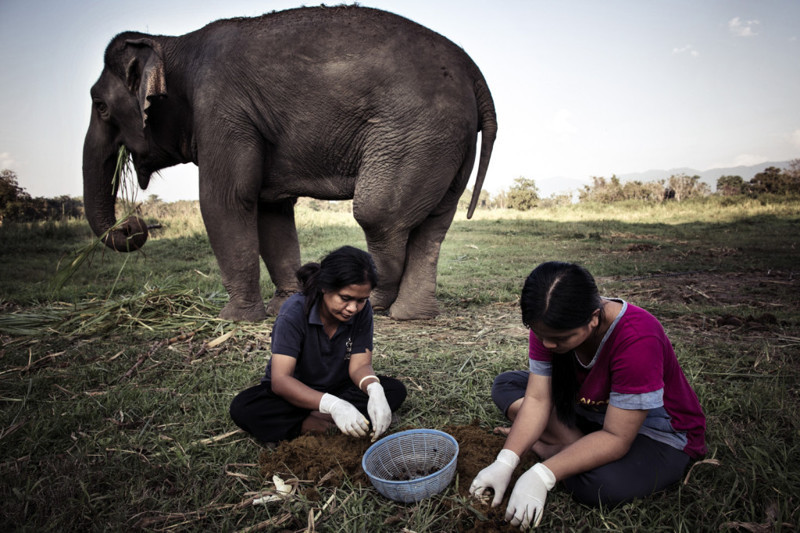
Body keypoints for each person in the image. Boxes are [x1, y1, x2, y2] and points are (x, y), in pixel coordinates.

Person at [469, 261, 706, 529]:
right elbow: (537, 399)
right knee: (507, 384)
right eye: (540, 334)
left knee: (601, 485)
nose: (548, 344)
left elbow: (617, 437)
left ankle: (552, 446)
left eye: (561, 338)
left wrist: (542, 475)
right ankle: (577, 447)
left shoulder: (638, 338)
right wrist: (507, 460)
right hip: (591, 407)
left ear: (594, 318)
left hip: (653, 432)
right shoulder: (549, 326)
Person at [230, 245, 407, 444]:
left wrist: (374, 389)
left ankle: (320, 419)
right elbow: (280, 380)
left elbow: (359, 366)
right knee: (244, 407)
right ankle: (314, 423)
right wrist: (333, 405)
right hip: (295, 393)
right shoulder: (294, 312)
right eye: (345, 298)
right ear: (325, 287)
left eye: (361, 300)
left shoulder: (362, 312)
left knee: (393, 389)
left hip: (339, 387)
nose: (352, 308)